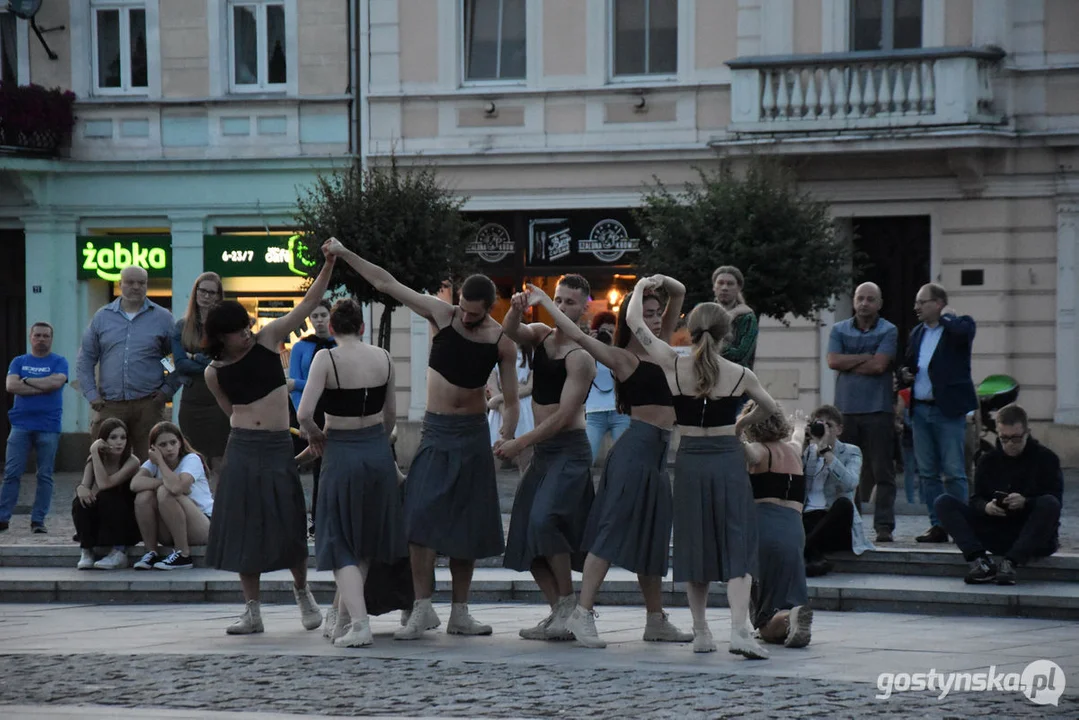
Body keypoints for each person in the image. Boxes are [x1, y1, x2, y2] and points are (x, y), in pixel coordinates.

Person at [324, 238, 519, 640]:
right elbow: (386, 282)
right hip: (436, 431)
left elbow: (512, 400)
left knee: (468, 528)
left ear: (488, 310)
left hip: (472, 435)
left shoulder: (500, 340)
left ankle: (460, 612)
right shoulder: (441, 313)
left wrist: (508, 433)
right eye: (462, 308)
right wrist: (345, 254)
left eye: (474, 314)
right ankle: (422, 607)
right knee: (417, 521)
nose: (465, 317)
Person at [531, 279, 692, 650]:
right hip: (634, 451)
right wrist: (544, 302)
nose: (655, 320)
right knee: (608, 534)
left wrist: (658, 282)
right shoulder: (622, 357)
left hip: (657, 455)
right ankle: (582, 614)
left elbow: (679, 293)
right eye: (647, 314)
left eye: (657, 314)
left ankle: (656, 619)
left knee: (653, 535)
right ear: (634, 319)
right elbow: (575, 332)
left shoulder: (661, 347)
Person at [628, 281, 778, 659]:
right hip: (728, 457)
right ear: (727, 333)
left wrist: (644, 285)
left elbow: (633, 320)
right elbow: (770, 407)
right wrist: (741, 425)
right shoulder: (740, 373)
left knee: (695, 544)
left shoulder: (673, 364)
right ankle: (740, 629)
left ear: (689, 331)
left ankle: (701, 632)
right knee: (737, 542)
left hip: (691, 460)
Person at [202, 247, 336, 635]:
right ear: (219, 337)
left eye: (246, 326)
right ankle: (252, 609)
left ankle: (303, 592)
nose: (245, 333)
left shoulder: (268, 339)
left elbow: (308, 302)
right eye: (236, 331)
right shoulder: (214, 371)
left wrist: (327, 265)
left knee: (289, 521)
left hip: (278, 444)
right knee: (245, 528)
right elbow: (231, 412)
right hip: (243, 446)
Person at [297, 298, 407, 648]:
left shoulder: (325, 358)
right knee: (364, 542)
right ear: (363, 327)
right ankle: (345, 619)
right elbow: (391, 416)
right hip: (376, 451)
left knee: (340, 539)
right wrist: (378, 440)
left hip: (341, 452)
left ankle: (359, 624)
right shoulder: (384, 358)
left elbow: (303, 415)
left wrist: (316, 438)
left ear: (332, 328)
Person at [497, 275, 598, 641]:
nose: (562, 306)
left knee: (545, 521)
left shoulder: (582, 357)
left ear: (584, 306)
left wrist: (520, 441)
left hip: (569, 450)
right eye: (558, 299)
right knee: (524, 532)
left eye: (570, 302)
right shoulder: (541, 334)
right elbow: (510, 331)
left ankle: (570, 603)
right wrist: (514, 309)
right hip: (544, 452)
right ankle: (559, 610)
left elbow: (562, 418)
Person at [935, 404, 1062, 585]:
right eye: (1004, 438)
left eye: (1016, 439)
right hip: (995, 528)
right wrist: (986, 506)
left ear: (1027, 432)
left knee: (1049, 503)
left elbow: (1055, 500)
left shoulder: (1046, 459)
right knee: (944, 502)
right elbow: (975, 499)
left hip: (1030, 532)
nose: (1010, 444)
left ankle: (1010, 563)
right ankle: (980, 562)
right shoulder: (988, 460)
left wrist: (1026, 501)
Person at [898, 283, 977, 543]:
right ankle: (938, 524)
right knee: (928, 473)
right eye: (916, 302)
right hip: (920, 410)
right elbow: (909, 364)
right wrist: (904, 374)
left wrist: (946, 318)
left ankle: (960, 522)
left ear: (938, 303)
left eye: (922, 302)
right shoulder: (917, 332)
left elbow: (964, 334)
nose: (916, 307)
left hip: (948, 411)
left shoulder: (959, 326)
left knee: (954, 471)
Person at [77, 265, 180, 462]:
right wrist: (91, 394)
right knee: (105, 460)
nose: (136, 287)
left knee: (151, 463)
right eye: (130, 282)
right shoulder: (102, 317)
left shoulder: (162, 318)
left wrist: (167, 390)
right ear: (120, 284)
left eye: (141, 283)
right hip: (109, 405)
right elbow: (86, 358)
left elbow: (170, 359)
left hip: (148, 405)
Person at [827, 282, 899, 543]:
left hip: (878, 410)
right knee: (847, 471)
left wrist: (850, 360)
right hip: (845, 410)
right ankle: (850, 522)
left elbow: (880, 366)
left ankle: (884, 526)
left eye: (870, 299)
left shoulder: (889, 330)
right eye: (860, 298)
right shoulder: (838, 329)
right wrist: (865, 356)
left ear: (879, 303)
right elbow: (833, 361)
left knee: (883, 471)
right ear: (854, 301)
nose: (864, 303)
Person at [740, 404, 813, 648]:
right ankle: (791, 616)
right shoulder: (794, 449)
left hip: (764, 528)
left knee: (764, 611)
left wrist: (735, 428)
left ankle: (783, 620)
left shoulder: (758, 451)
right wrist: (801, 423)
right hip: (794, 531)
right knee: (786, 593)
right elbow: (799, 434)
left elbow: (742, 451)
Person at [2, 322, 68, 533]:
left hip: (48, 425)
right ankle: (3, 518)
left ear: (51, 338)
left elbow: (56, 383)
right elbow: (11, 386)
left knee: (45, 474)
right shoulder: (19, 361)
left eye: (45, 336)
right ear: (31, 337)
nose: (41, 339)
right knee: (12, 473)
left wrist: (28, 380)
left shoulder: (59, 361)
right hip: (20, 424)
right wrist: (43, 386)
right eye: (37, 335)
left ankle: (38, 520)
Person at [130, 422, 214, 571]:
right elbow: (135, 484)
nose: (169, 448)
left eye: (173, 442)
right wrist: (163, 480)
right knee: (144, 496)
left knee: (165, 492)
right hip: (172, 527)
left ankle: (183, 554)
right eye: (163, 445)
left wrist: (161, 463)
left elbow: (176, 488)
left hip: (204, 525)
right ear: (153, 448)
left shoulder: (191, 459)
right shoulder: (152, 463)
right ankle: (151, 552)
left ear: (180, 443)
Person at [172, 272, 230, 488]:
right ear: (195, 292)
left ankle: (220, 512)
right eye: (202, 290)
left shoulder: (224, 327)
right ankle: (200, 511)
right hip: (192, 399)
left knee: (220, 461)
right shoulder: (181, 326)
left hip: (219, 399)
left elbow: (226, 361)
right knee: (194, 460)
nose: (206, 296)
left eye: (211, 292)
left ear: (218, 296)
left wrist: (194, 357)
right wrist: (208, 360)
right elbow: (178, 364)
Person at [801, 405, 872, 576]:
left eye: (829, 425)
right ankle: (814, 558)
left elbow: (850, 483)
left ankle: (803, 550)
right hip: (808, 520)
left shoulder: (851, 451)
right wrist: (803, 443)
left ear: (839, 429)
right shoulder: (808, 452)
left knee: (844, 504)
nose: (823, 429)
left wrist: (826, 452)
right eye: (819, 424)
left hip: (835, 524)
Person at [289, 300, 336, 534]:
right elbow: (293, 385)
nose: (319, 320)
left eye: (323, 315)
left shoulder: (339, 344)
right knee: (314, 464)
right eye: (315, 316)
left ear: (331, 317)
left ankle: (329, 516)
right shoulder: (301, 347)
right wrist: (302, 418)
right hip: (309, 410)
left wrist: (297, 383)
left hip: (334, 408)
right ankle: (313, 519)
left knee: (329, 465)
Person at [70, 418, 141, 570]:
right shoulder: (94, 460)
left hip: (126, 520)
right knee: (80, 502)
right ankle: (87, 551)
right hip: (106, 518)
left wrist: (94, 452)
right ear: (104, 440)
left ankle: (119, 552)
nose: (119, 442)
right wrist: (81, 489)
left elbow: (105, 484)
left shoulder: (132, 461)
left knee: (108, 495)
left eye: (123, 437)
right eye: (113, 437)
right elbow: (85, 485)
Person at [584, 311, 630, 461]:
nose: (607, 335)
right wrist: (589, 346)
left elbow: (624, 377)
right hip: (594, 412)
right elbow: (581, 375)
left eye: (611, 331)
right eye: (604, 331)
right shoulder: (586, 351)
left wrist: (611, 348)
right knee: (586, 458)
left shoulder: (620, 351)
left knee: (624, 460)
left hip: (619, 411)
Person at [487, 346, 535, 470]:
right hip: (501, 409)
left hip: (524, 407)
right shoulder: (496, 353)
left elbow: (530, 388)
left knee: (526, 460)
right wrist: (507, 418)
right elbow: (493, 387)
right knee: (492, 459)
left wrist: (500, 397)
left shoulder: (532, 354)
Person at [712, 266, 758, 369]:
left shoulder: (747, 318)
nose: (724, 288)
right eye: (720, 283)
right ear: (714, 287)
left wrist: (710, 346)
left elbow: (740, 355)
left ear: (738, 288)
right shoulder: (704, 313)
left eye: (730, 284)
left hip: (735, 379)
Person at [895, 387, 920, 504]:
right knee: (924, 470)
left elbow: (899, 414)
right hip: (920, 434)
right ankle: (923, 499)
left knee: (909, 470)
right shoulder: (922, 393)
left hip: (908, 436)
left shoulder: (903, 393)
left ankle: (910, 499)